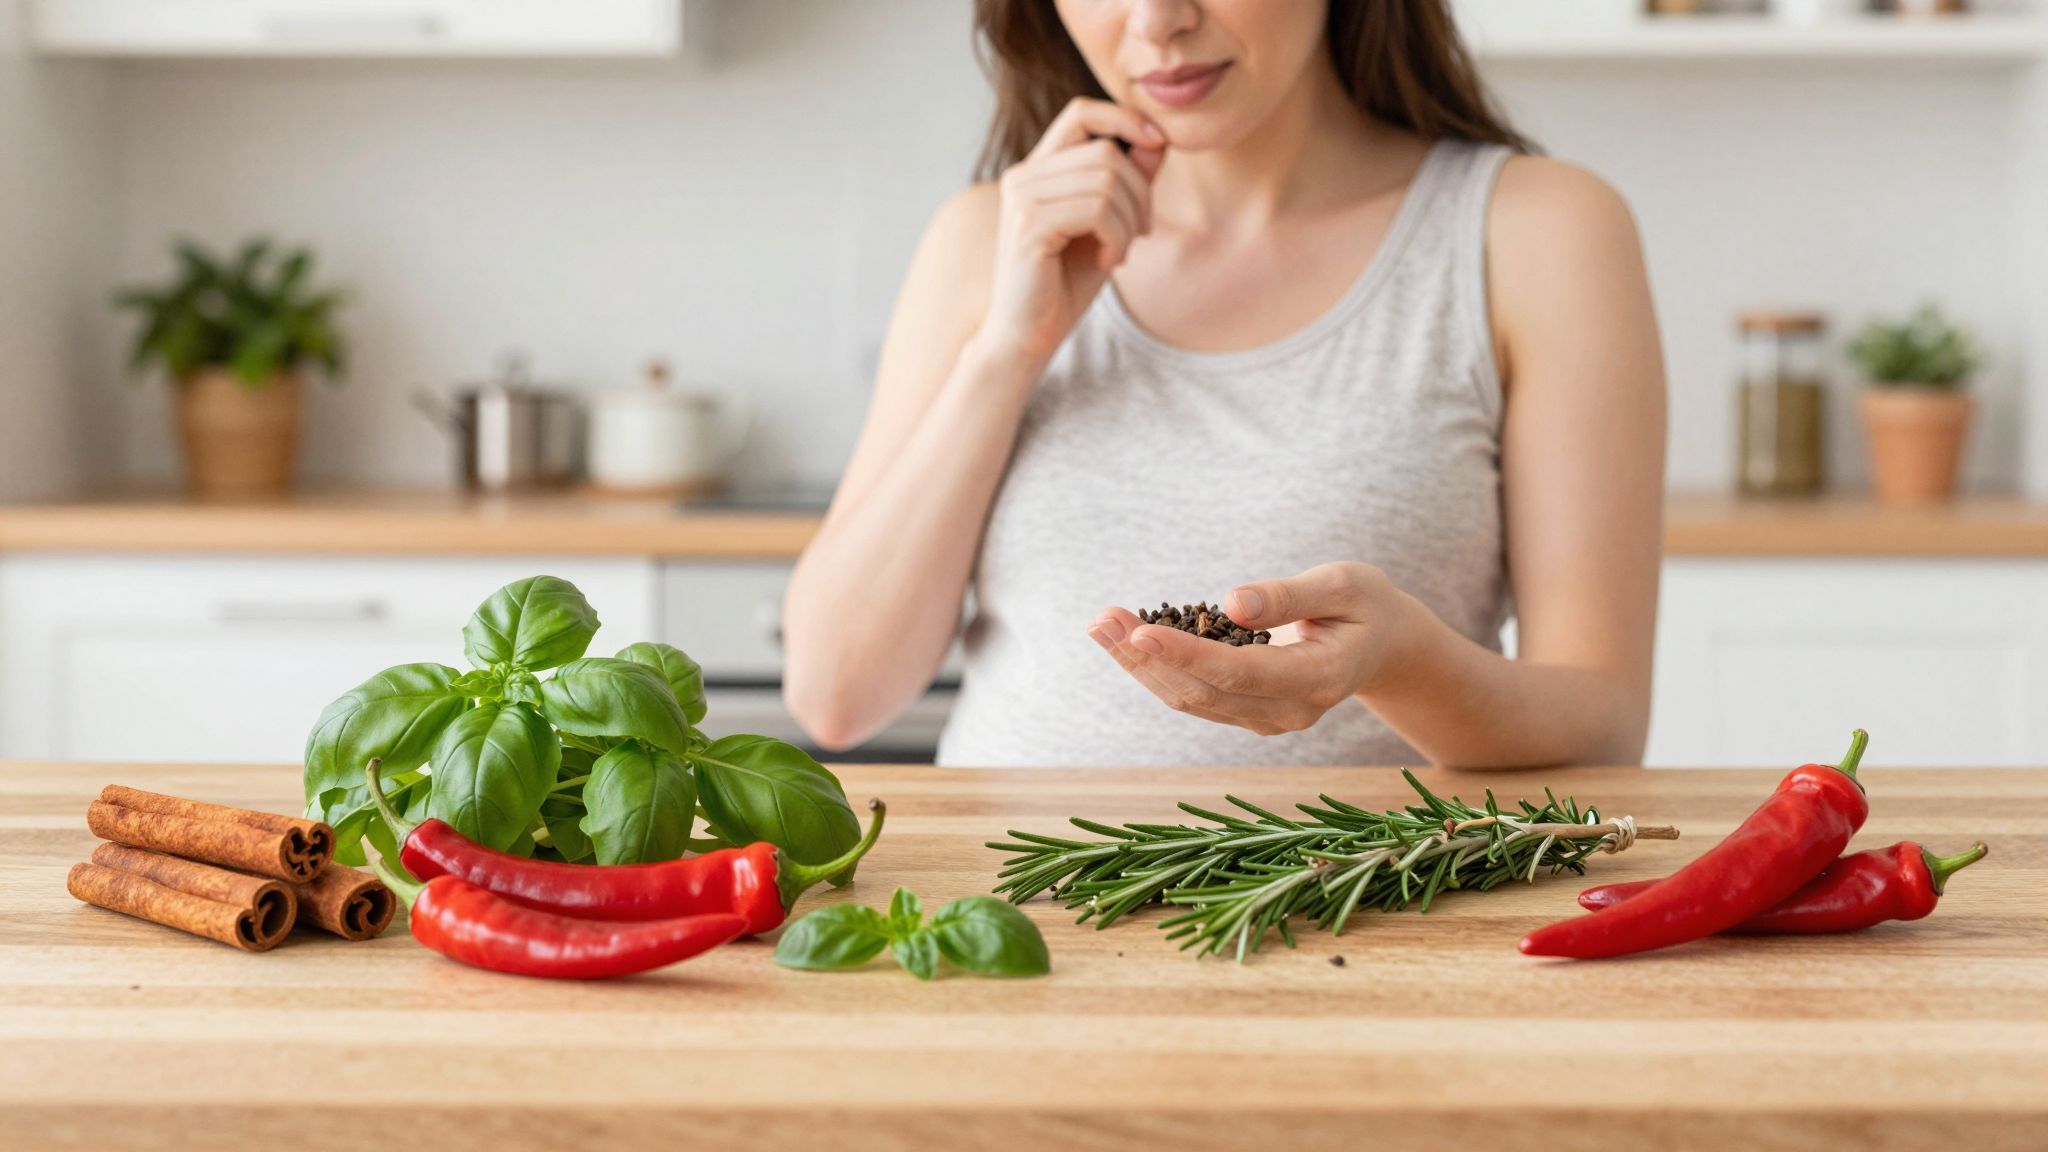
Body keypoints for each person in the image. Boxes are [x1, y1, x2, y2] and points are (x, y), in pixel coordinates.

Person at [782, 0, 1666, 769]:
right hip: (1012, 928)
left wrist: (1397, 663)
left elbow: (1605, 727)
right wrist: (1011, 347)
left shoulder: (1538, 232)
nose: (1156, 19)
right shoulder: (990, 241)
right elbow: (836, 695)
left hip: (1372, 931)